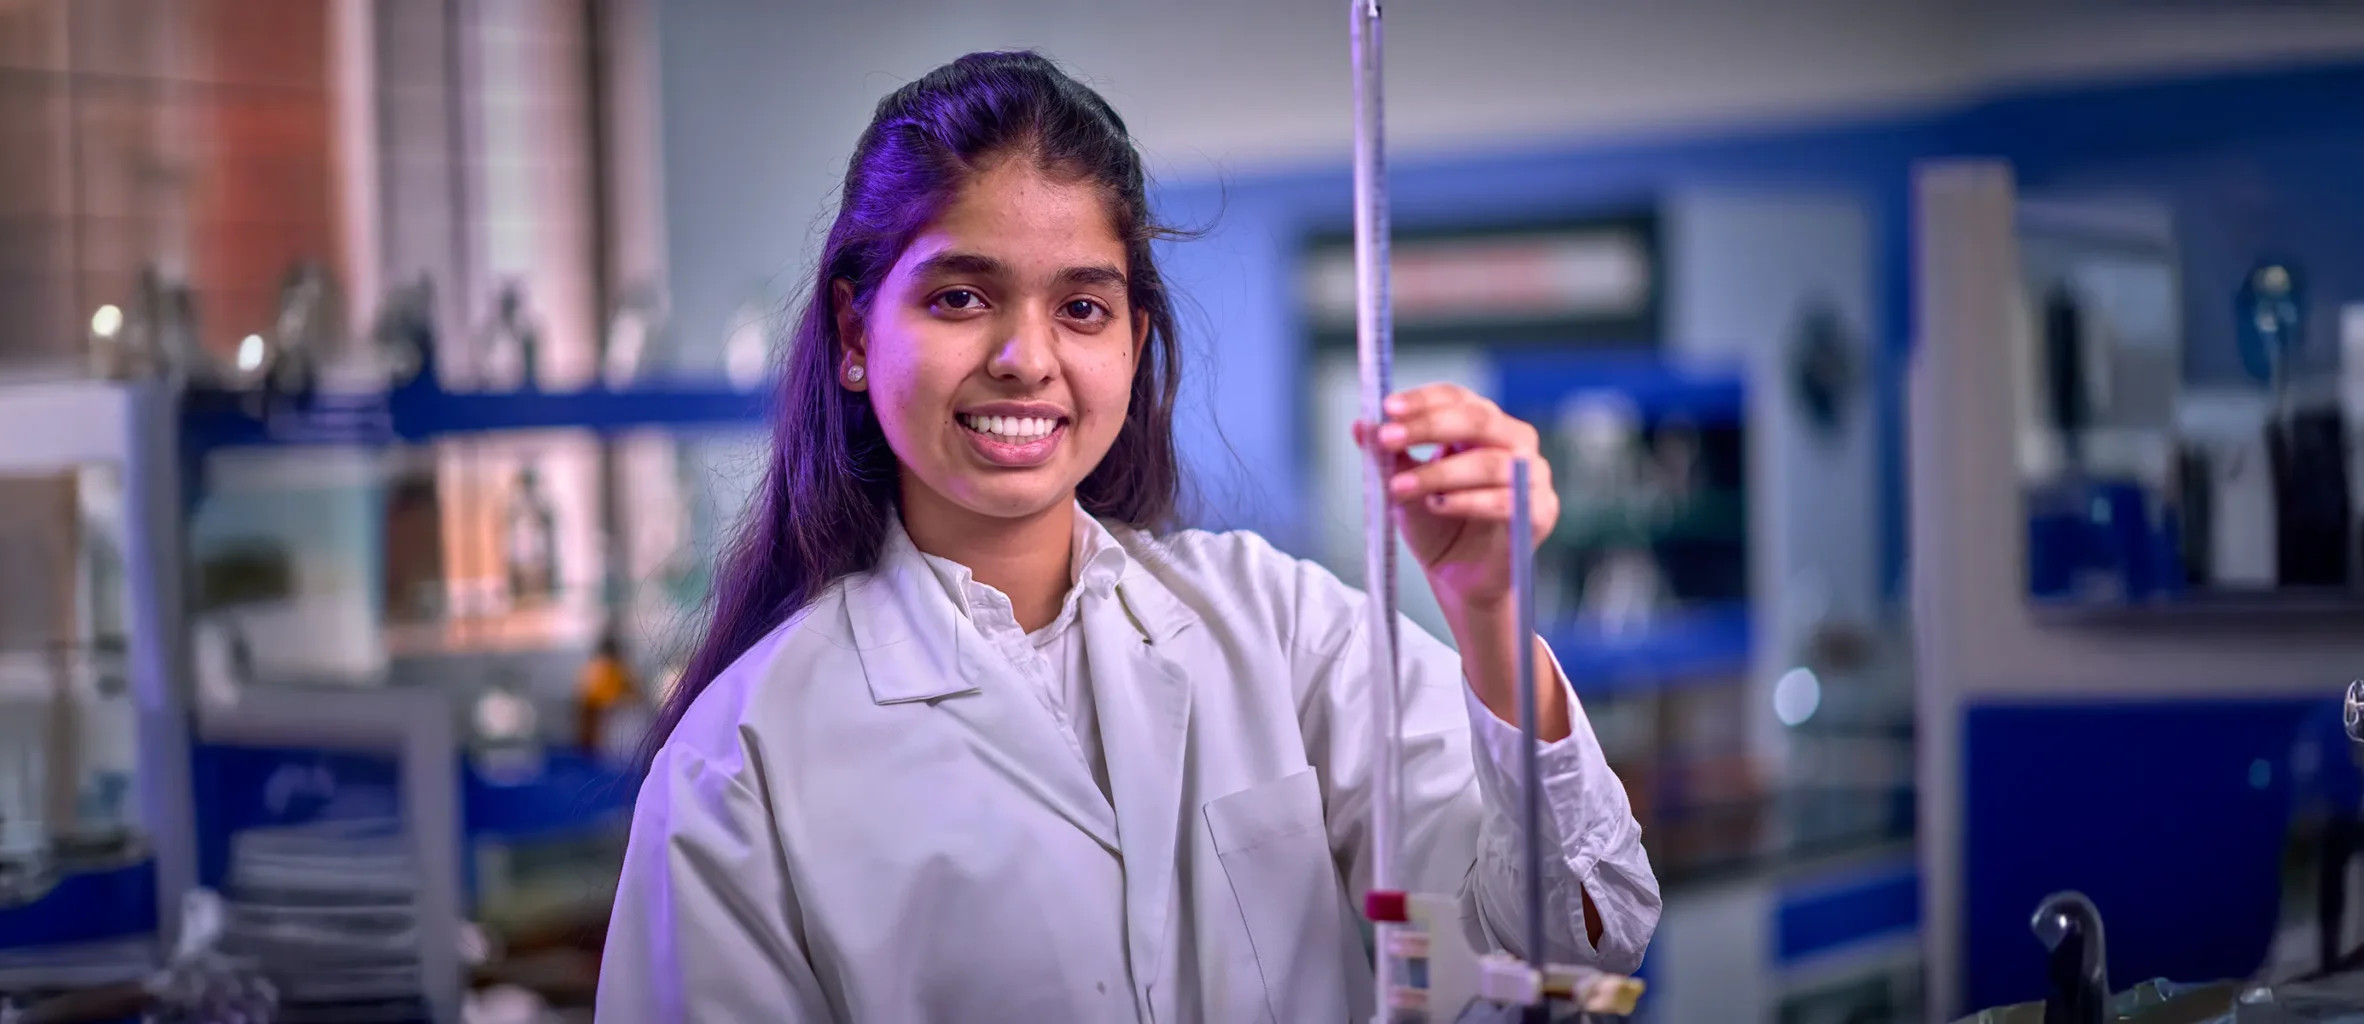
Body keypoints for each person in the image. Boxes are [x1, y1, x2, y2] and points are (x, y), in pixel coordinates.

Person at [597, 50, 1661, 1023]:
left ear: (1134, 340)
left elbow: (1579, 935)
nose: (1025, 356)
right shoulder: (739, 766)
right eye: (962, 295)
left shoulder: (1275, 625)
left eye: (1083, 308)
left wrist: (1489, 613)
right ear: (852, 334)